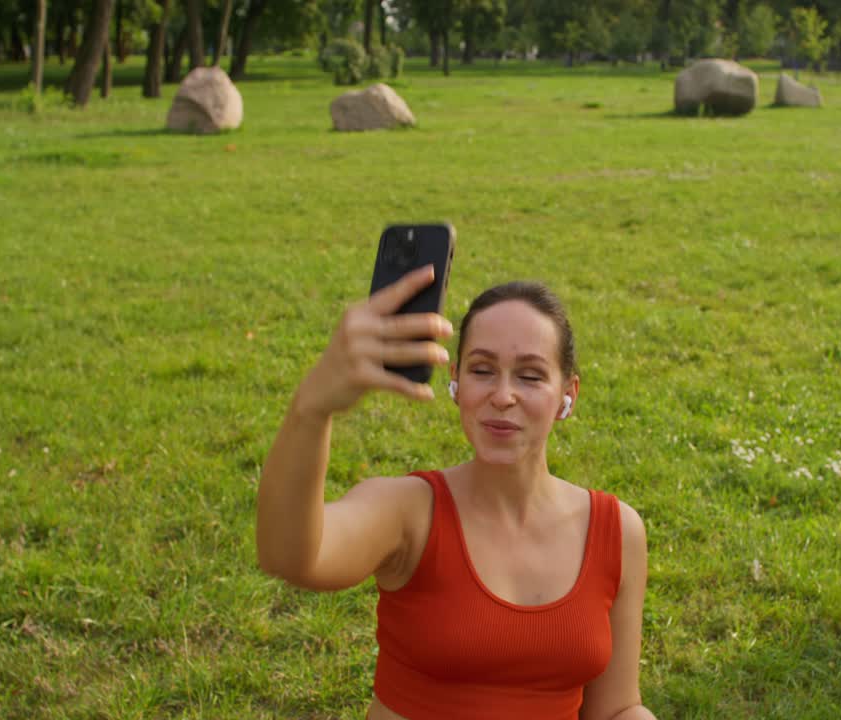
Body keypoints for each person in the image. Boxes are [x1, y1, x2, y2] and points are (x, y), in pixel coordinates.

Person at [256, 266, 656, 720]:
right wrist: (313, 407)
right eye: (482, 370)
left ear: (568, 394)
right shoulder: (408, 512)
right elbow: (288, 556)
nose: (503, 395)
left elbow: (617, 708)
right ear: (457, 383)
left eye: (529, 376)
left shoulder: (617, 531)